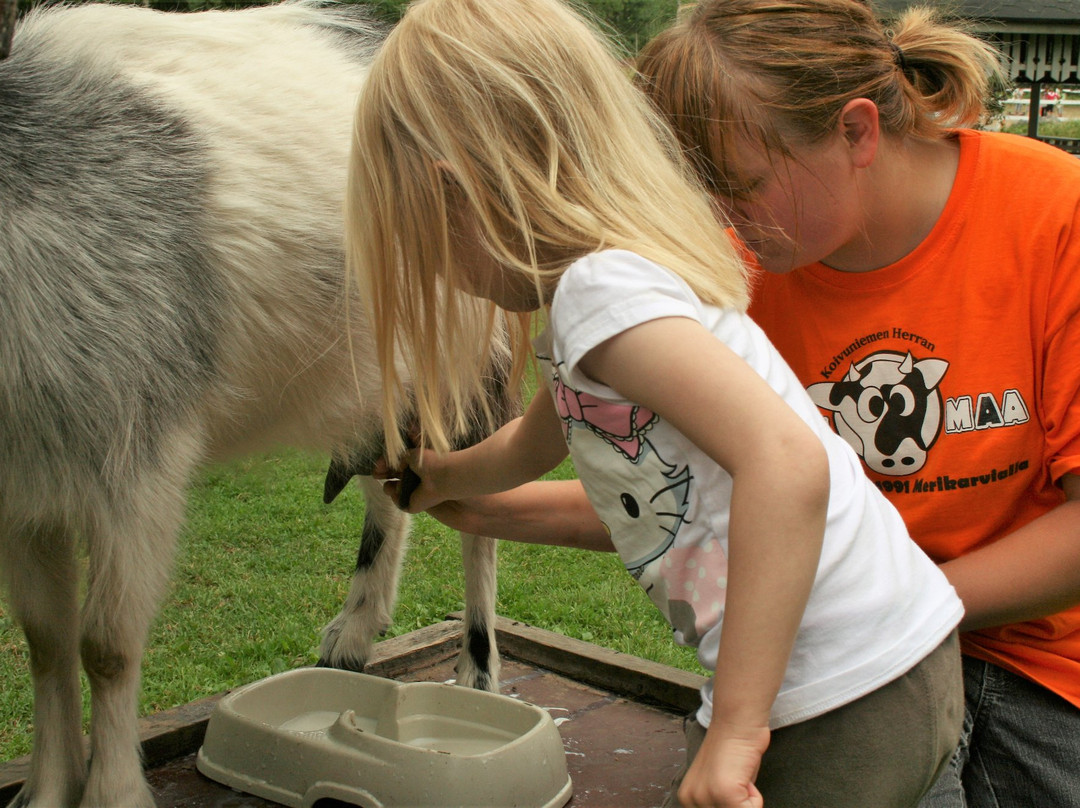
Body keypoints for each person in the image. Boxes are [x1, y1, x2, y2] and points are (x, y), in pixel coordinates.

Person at [347, 1, 963, 806]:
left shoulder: (602, 295)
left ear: (460, 194)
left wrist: (739, 725)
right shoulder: (600, 295)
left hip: (839, 687)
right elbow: (538, 442)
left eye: (425, 245)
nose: (439, 276)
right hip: (886, 667)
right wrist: (442, 476)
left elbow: (788, 461)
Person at [633, 1, 1080, 806]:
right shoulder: (744, 270)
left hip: (1032, 657)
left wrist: (896, 611)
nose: (720, 223)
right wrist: (482, 496)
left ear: (857, 132)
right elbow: (683, 498)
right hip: (840, 659)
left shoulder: (1056, 216)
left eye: (738, 187)